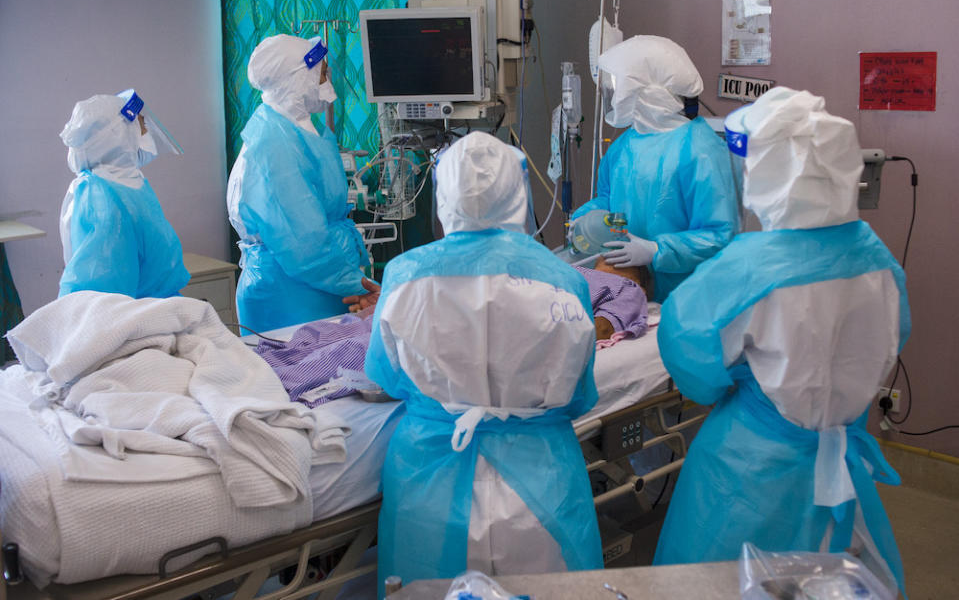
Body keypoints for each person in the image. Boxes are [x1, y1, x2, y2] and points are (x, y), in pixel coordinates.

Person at [653, 87, 909, 595]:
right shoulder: (879, 261)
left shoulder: (751, 267)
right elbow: (890, 341)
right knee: (833, 579)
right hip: (840, 458)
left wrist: (737, 384)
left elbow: (688, 348)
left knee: (726, 581)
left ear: (769, 174)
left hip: (751, 467)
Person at [365, 132, 603, 592]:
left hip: (431, 477)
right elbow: (578, 395)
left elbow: (389, 377)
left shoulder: (403, 277)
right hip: (540, 480)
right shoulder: (564, 281)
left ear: (443, 195)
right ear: (518, 192)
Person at [571, 35, 740, 303]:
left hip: (687, 296)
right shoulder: (625, 144)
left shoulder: (701, 151)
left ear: (648, 91)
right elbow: (608, 199)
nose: (614, 95)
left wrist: (656, 250)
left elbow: (719, 234)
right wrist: (584, 220)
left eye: (620, 86)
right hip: (627, 288)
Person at [227, 34, 374, 332]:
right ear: (298, 77)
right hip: (290, 293)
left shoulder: (293, 129)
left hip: (316, 282)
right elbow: (303, 242)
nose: (326, 81)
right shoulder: (275, 143)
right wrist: (358, 283)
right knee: (297, 374)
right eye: (321, 73)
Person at [59, 91, 189, 298]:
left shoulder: (131, 183)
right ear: (118, 136)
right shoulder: (99, 195)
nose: (145, 129)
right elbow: (101, 291)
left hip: (154, 309)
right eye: (139, 125)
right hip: (127, 320)